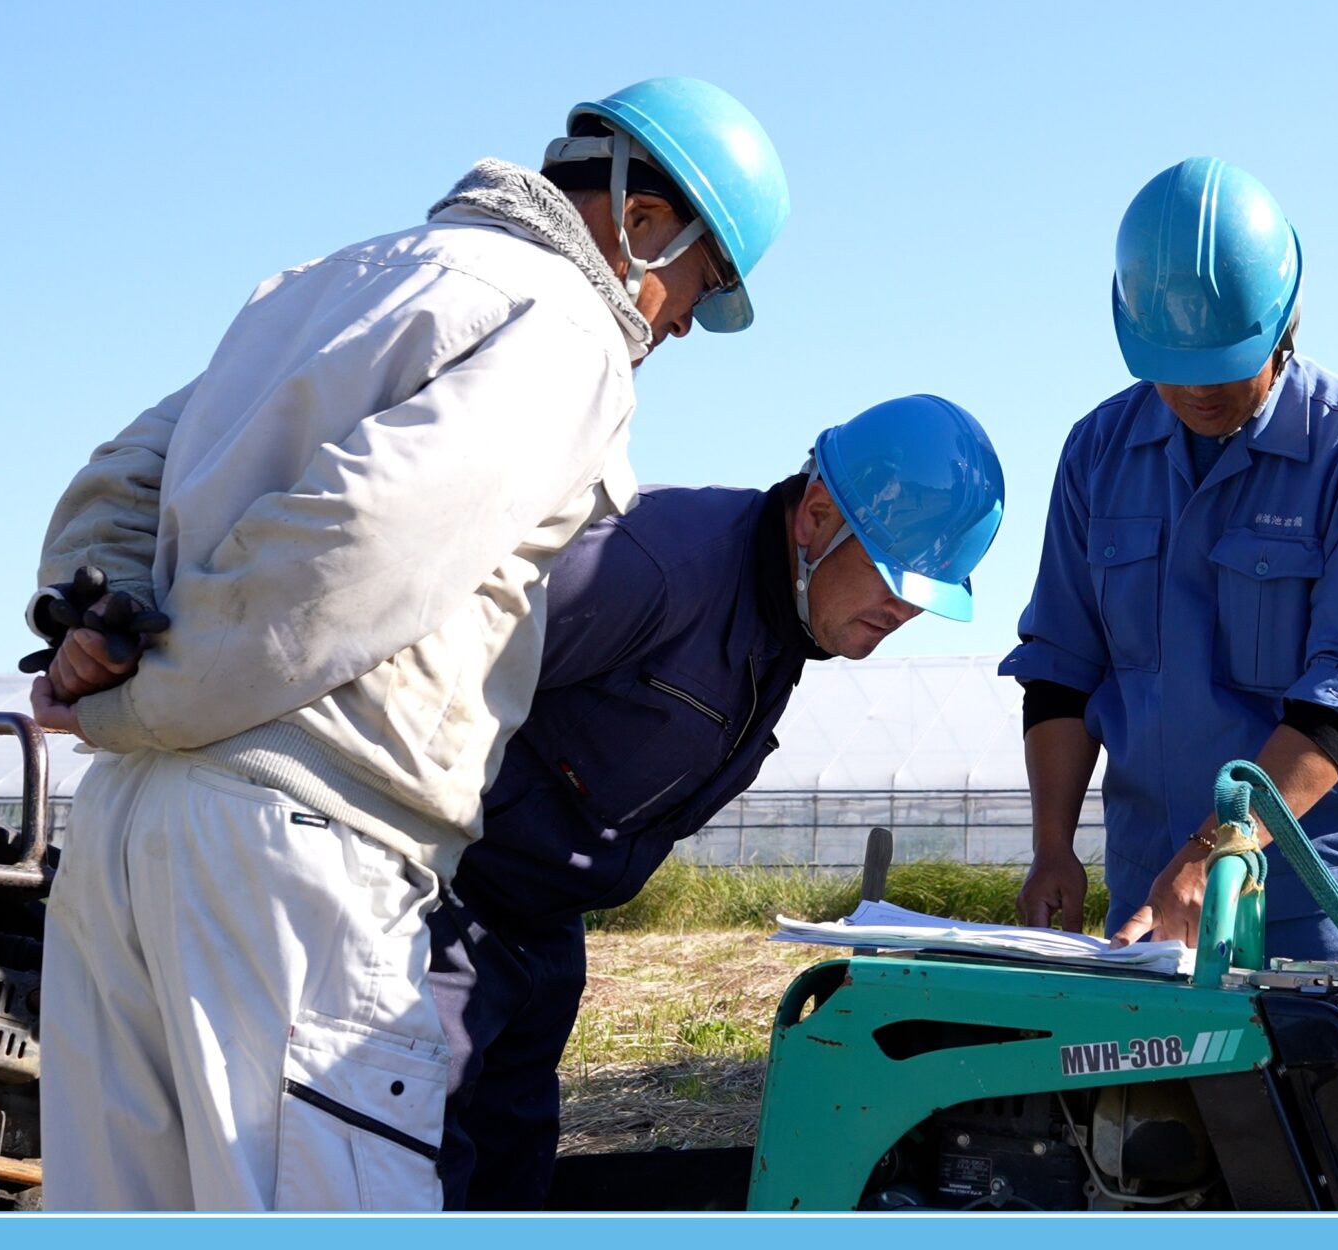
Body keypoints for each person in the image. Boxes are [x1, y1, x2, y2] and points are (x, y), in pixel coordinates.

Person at [21, 77, 791, 1211]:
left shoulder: (324, 282)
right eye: (697, 287)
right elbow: (356, 544)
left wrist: (103, 634)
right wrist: (144, 695)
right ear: (642, 223)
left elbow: (126, 472)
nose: (676, 323)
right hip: (297, 852)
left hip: (128, 832)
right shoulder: (566, 330)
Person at [426, 394, 1006, 1209]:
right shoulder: (658, 565)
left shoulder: (786, 627)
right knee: (413, 1158)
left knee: (508, 1171)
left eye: (926, 595)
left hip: (545, 928)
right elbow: (443, 685)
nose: (905, 610)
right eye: (895, 575)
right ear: (815, 516)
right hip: (450, 906)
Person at [1002, 156, 1338, 970]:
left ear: (1281, 323)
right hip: (1148, 896)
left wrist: (1215, 854)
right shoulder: (1099, 451)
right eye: (1169, 365)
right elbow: (1061, 670)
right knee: (1148, 1099)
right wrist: (1053, 846)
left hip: (1312, 900)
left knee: (1322, 1099)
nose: (1196, 392)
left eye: (1222, 365)